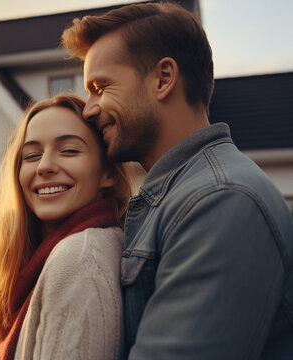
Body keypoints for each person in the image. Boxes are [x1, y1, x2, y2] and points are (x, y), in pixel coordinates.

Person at [59, 2, 293, 359]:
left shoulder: (220, 200)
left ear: (163, 78)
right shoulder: (178, 196)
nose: (89, 108)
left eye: (100, 87)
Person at [0, 94, 139, 360]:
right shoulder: (46, 260)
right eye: (31, 155)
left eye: (69, 150)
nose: (44, 166)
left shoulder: (80, 259)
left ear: (107, 173)